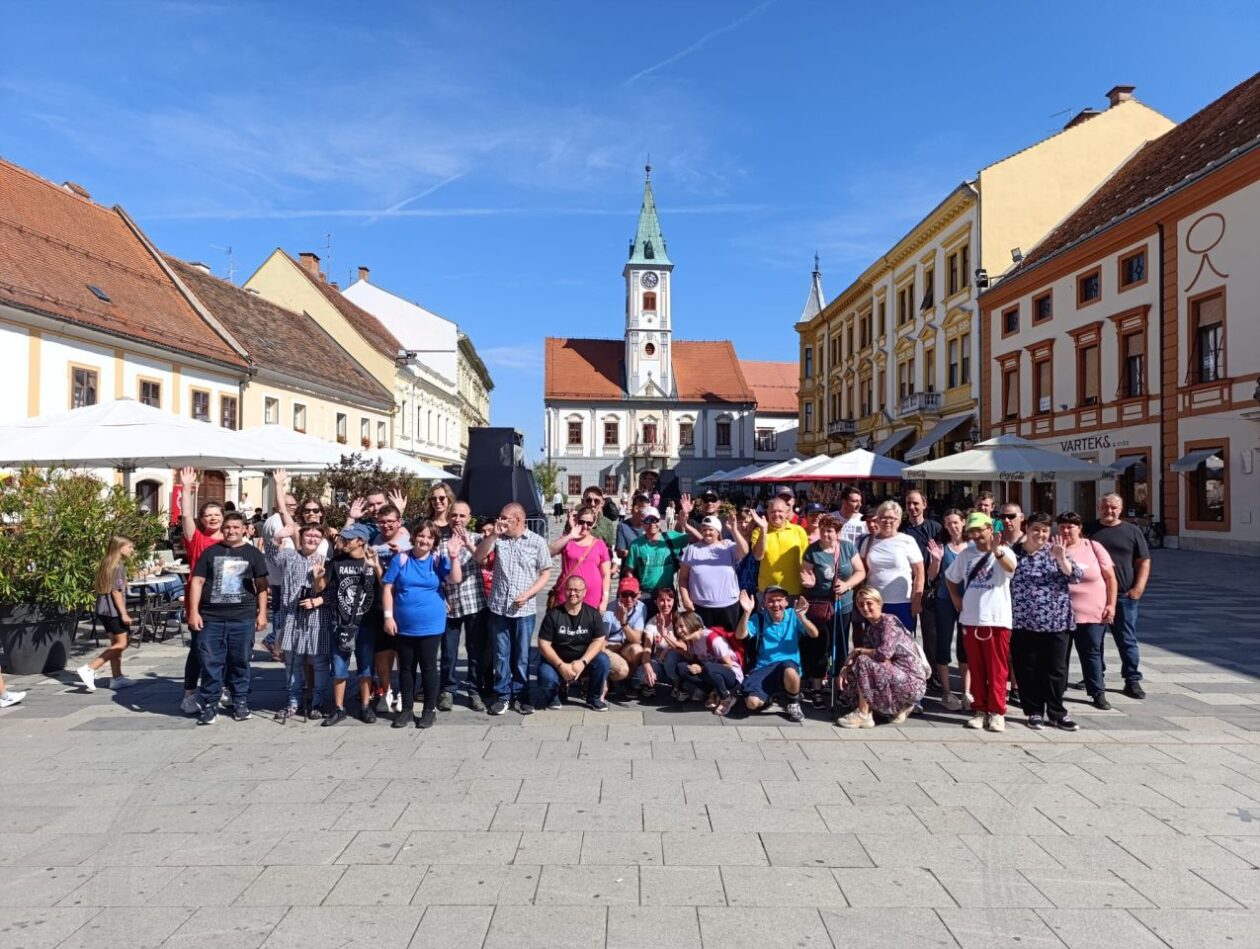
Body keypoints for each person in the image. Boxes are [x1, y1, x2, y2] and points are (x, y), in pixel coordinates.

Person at [186, 511, 270, 725]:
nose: (231, 531)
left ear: (244, 529)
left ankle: (240, 701)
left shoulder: (253, 554)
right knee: (210, 662)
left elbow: (261, 586)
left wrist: (262, 613)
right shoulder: (210, 552)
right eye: (228, 527)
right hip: (211, 618)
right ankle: (210, 705)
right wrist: (193, 612)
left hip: (242, 617)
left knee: (240, 660)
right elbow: (197, 582)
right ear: (223, 529)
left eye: (236, 527)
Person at [382, 521, 462, 729]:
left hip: (431, 624)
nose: (424, 540)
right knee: (406, 668)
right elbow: (388, 588)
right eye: (421, 535)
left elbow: (455, 579)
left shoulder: (437, 560)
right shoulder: (401, 558)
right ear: (414, 536)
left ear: (434, 541)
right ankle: (407, 709)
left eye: (429, 537)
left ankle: (429, 710)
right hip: (404, 624)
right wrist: (388, 617)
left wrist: (454, 558)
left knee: (428, 667)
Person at [475, 503, 552, 716]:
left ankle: (521, 694)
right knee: (501, 653)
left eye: (504, 517)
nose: (500, 521)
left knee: (522, 655)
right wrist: (491, 537)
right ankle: (502, 695)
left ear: (518, 520)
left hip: (524, 609)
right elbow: (479, 557)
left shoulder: (536, 542)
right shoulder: (497, 539)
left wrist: (529, 594)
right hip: (499, 606)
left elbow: (545, 572)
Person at [944, 512, 1018, 732]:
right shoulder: (966, 554)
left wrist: (996, 551)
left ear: (989, 529)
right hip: (971, 619)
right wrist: (956, 597)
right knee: (976, 669)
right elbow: (950, 577)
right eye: (972, 532)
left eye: (979, 530)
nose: (976, 535)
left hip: (996, 620)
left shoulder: (1005, 552)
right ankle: (980, 709)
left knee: (997, 669)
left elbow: (1010, 568)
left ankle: (997, 711)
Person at [1010, 513, 1083, 731]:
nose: (1040, 534)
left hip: (1056, 621)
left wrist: (1061, 559)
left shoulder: (1056, 551)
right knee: (1027, 668)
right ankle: (1033, 711)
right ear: (1027, 528)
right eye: (1036, 529)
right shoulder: (1014, 554)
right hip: (1023, 622)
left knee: (1056, 669)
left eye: (1044, 530)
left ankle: (1056, 712)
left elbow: (1076, 576)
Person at [1086, 493, 1150, 700]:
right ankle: (1097, 675)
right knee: (1094, 640)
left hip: (1124, 595)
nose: (1109, 511)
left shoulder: (1132, 531)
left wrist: (1138, 587)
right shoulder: (1089, 529)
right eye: (1105, 507)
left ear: (1120, 509)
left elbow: (1143, 561)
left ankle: (1132, 679)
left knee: (1126, 638)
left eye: (1113, 507)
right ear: (1098, 507)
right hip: (1094, 596)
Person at [798, 514, 865, 709]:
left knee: (841, 646)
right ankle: (817, 688)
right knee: (820, 646)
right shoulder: (812, 551)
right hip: (820, 607)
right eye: (823, 530)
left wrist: (847, 585)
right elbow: (806, 575)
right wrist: (808, 582)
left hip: (842, 606)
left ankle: (840, 687)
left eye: (830, 531)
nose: (826, 534)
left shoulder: (846, 548)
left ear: (838, 533)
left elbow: (860, 571)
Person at [835, 588, 928, 728]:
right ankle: (896, 709)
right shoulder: (871, 630)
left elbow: (883, 654)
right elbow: (875, 662)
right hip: (894, 675)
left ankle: (863, 714)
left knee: (862, 661)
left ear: (879, 603)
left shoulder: (889, 621)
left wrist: (858, 651)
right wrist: (846, 668)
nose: (864, 608)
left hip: (911, 680)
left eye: (869, 603)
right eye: (860, 604)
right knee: (851, 682)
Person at [1059, 511, 1118, 711]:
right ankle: (1057, 691)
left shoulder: (1093, 547)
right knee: (1059, 656)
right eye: (1063, 526)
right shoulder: (1052, 548)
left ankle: (1097, 692)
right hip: (1060, 614)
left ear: (1080, 528)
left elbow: (1110, 578)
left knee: (1092, 653)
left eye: (1071, 526)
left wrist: (1111, 604)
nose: (1066, 530)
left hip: (1092, 612)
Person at [272, 524, 331, 723]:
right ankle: (293, 702)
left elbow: (327, 591)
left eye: (317, 535)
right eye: (309, 534)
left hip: (317, 617)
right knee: (292, 663)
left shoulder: (325, 561)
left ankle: (317, 702)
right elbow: (272, 556)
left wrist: (318, 578)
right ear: (301, 536)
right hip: (292, 616)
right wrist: (278, 536)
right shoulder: (290, 556)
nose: (312, 538)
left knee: (320, 663)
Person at [324, 523, 383, 724]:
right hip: (341, 622)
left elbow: (386, 588)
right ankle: (339, 707)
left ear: (361, 541)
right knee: (339, 667)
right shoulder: (337, 561)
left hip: (366, 622)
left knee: (366, 666)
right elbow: (323, 587)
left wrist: (376, 568)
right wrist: (317, 577)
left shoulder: (373, 560)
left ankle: (366, 706)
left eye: (349, 539)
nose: (344, 542)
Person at [734, 586, 819, 723]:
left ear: (786, 602)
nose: (776, 605)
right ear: (765, 603)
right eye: (771, 601)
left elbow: (814, 634)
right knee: (751, 703)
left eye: (779, 600)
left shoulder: (793, 615)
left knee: (790, 670)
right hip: (764, 666)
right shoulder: (760, 618)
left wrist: (802, 617)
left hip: (787, 666)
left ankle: (793, 702)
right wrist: (747, 612)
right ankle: (769, 698)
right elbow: (740, 635)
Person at [177, 466, 223, 715]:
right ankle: (189, 693)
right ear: (203, 519)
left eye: (217, 514)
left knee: (222, 648)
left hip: (224, 602)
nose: (213, 518)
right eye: (208, 515)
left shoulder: (231, 541)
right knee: (197, 649)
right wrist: (187, 488)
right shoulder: (197, 539)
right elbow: (185, 517)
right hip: (200, 602)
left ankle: (219, 687)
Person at [441, 501, 492, 712]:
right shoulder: (439, 542)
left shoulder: (478, 538)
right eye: (454, 515)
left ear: (469, 518)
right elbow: (434, 572)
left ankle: (474, 690)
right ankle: (447, 690)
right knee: (448, 651)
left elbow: (484, 561)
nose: (458, 519)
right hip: (450, 604)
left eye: (462, 516)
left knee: (475, 650)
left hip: (475, 602)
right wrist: (440, 598)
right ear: (448, 517)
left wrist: (467, 543)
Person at [534, 576, 611, 712]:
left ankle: (593, 698)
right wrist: (561, 665)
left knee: (603, 660)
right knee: (545, 675)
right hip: (557, 661)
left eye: (577, 590)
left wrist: (583, 661)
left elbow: (599, 640)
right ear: (564, 591)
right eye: (569, 589)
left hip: (581, 662)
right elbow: (543, 643)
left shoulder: (593, 614)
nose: (572, 593)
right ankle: (554, 695)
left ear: (585, 592)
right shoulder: (553, 614)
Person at [77, 534, 138, 692]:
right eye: (130, 547)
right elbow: (117, 593)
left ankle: (117, 677)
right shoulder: (118, 566)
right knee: (122, 643)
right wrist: (124, 614)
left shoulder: (106, 563)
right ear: (120, 548)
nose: (132, 549)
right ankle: (90, 668)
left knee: (116, 643)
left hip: (103, 608)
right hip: (113, 611)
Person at [369, 502, 411, 715]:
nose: (386, 526)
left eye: (390, 522)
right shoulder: (374, 542)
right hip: (379, 605)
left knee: (403, 652)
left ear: (399, 522)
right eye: (382, 522)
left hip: (403, 604)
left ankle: (404, 692)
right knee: (382, 653)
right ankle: (387, 692)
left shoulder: (409, 542)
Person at [926, 509, 970, 710]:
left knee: (965, 646)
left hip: (969, 603)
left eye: (956, 522)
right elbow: (932, 577)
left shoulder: (973, 547)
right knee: (943, 643)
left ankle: (966, 691)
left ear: (963, 522)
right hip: (945, 601)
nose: (953, 526)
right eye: (948, 523)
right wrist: (936, 559)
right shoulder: (941, 547)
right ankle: (946, 692)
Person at [858, 500, 925, 631]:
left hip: (901, 603)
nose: (887, 521)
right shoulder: (868, 541)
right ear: (877, 519)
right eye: (883, 517)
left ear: (899, 521)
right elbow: (862, 570)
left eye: (892, 518)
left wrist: (916, 600)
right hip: (874, 604)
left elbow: (920, 573)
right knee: (876, 645)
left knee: (901, 645)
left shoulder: (907, 541)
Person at [678, 512, 749, 631]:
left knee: (729, 645)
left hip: (728, 607)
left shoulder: (728, 546)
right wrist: (685, 599)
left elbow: (745, 551)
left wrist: (734, 530)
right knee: (703, 645)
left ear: (718, 532)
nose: (707, 532)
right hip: (700, 607)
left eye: (710, 529)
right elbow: (683, 578)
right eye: (704, 529)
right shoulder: (692, 549)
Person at [672, 611, 744, 717]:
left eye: (682, 626)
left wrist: (701, 669)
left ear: (690, 623)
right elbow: (692, 658)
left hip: (732, 676)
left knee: (708, 667)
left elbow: (728, 664)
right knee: (681, 668)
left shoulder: (712, 638)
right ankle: (713, 692)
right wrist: (666, 638)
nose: (679, 631)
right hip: (712, 673)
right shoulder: (691, 641)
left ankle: (726, 697)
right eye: (677, 628)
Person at [548, 505, 612, 613]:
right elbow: (549, 552)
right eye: (582, 522)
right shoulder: (568, 540)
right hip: (567, 595)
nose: (585, 526)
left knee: (588, 629)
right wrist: (570, 536)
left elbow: (606, 574)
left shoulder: (599, 544)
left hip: (592, 597)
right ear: (576, 520)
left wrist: (604, 600)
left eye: (589, 523)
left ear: (594, 524)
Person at [623, 507, 688, 612]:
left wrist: (685, 523)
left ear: (659, 520)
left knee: (669, 626)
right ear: (642, 523)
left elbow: (698, 538)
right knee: (645, 626)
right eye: (648, 521)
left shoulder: (670, 537)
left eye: (655, 520)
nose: (652, 524)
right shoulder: (636, 544)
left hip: (667, 592)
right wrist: (633, 590)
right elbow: (629, 570)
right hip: (645, 593)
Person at [751, 498, 810, 598]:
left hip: (793, 591)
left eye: (780, 511)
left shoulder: (798, 531)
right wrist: (764, 530)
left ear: (787, 513)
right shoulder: (758, 532)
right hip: (767, 592)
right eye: (772, 511)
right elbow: (758, 556)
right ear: (767, 513)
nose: (776, 514)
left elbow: (806, 561)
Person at [637, 587, 686, 698]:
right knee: (642, 673)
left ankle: (677, 686)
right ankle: (650, 684)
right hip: (659, 660)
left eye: (669, 600)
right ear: (656, 602)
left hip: (676, 661)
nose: (665, 604)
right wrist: (647, 667)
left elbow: (684, 646)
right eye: (662, 600)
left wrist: (667, 645)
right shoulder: (652, 622)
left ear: (674, 601)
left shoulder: (679, 619)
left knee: (672, 656)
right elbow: (647, 649)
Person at [602, 575, 647, 692]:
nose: (629, 599)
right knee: (622, 670)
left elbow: (637, 639)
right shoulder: (609, 610)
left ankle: (626, 681)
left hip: (625, 645)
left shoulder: (641, 608)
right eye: (625, 595)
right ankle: (608, 677)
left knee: (637, 649)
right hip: (609, 646)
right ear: (619, 594)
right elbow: (601, 642)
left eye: (632, 595)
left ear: (639, 594)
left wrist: (623, 623)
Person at [581, 486, 619, 555]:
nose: (592, 504)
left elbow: (610, 549)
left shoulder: (608, 524)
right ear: (583, 502)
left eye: (596, 501)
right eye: (589, 500)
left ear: (602, 503)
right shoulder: (574, 521)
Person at [615, 494, 650, 562]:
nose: (648, 513)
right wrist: (642, 554)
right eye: (646, 510)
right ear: (636, 508)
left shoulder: (650, 526)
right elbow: (620, 553)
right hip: (629, 569)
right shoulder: (623, 526)